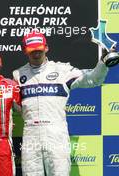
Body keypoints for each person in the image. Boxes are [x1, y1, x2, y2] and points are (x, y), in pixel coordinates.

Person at [13, 30, 109, 176]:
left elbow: (92, 79)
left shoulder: (62, 70)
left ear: (46, 48)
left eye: (39, 49)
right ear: (25, 51)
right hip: (31, 132)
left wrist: (103, 64)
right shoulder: (18, 75)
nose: (36, 54)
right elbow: (17, 106)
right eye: (32, 50)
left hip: (56, 131)